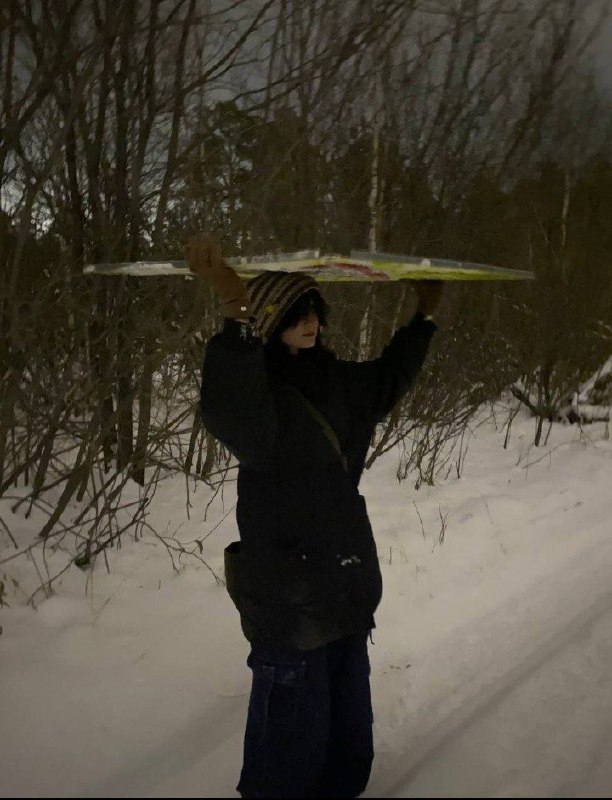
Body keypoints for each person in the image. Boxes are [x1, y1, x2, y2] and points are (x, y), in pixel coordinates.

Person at [186, 235, 443, 799]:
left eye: (314, 311)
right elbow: (226, 401)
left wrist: (424, 315)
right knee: (290, 728)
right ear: (271, 319)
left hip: (345, 577)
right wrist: (236, 311)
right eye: (295, 313)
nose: (310, 323)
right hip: (286, 584)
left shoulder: (336, 381)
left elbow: (390, 377)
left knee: (346, 722)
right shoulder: (259, 400)